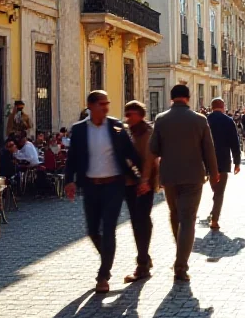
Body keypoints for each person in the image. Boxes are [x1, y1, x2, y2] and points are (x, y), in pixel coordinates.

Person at [64, 90, 142, 293]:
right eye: (101, 104)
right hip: (90, 185)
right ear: (90, 106)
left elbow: (131, 153)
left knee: (108, 229)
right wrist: (69, 181)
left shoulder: (116, 127)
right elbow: (72, 158)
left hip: (114, 185)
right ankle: (108, 256)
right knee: (92, 230)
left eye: (107, 103)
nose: (106, 107)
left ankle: (103, 275)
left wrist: (142, 178)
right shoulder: (79, 130)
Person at [148, 85, 219, 283]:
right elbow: (209, 150)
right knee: (188, 220)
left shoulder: (161, 119)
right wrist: (214, 173)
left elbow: (154, 149)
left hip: (169, 176)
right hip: (194, 176)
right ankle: (181, 265)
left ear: (171, 99)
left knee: (175, 215)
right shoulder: (200, 119)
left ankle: (180, 252)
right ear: (188, 98)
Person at [122, 101, 156, 283]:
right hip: (130, 183)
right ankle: (144, 258)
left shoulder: (147, 133)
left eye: (131, 114)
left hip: (143, 184)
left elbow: (150, 159)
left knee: (141, 221)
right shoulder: (130, 132)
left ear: (140, 115)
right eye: (126, 114)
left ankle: (142, 264)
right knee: (138, 221)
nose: (128, 118)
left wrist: (145, 181)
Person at [206, 98, 241, 230]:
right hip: (223, 161)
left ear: (212, 107)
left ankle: (214, 211)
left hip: (208, 161)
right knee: (219, 192)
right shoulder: (228, 121)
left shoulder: (205, 120)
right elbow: (235, 143)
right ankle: (214, 219)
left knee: (215, 188)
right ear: (223, 106)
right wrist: (237, 162)